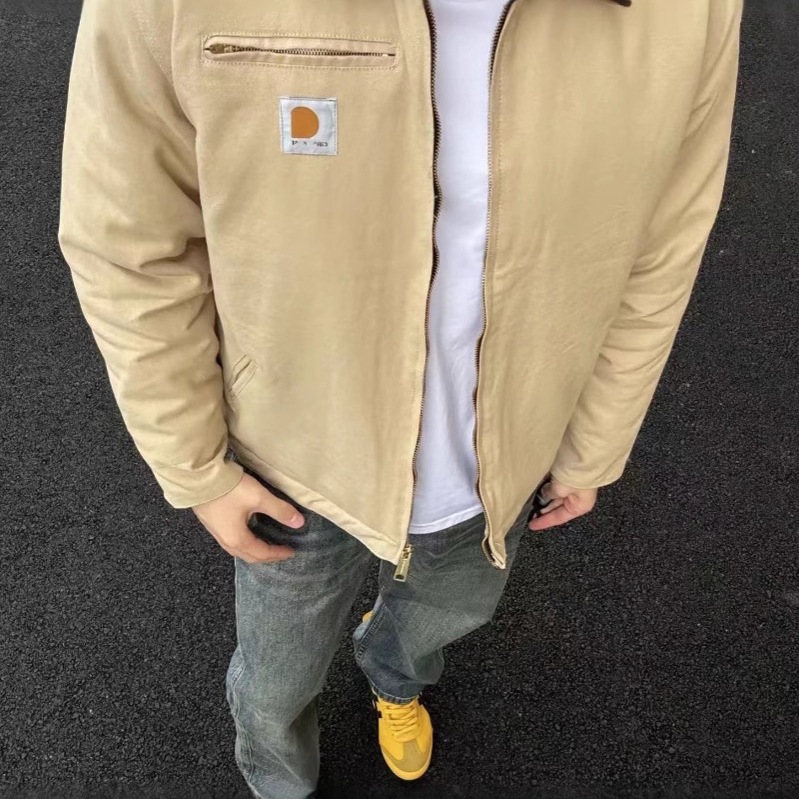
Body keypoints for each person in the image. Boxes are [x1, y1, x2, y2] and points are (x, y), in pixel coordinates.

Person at [58, 0, 743, 796]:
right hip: (293, 457)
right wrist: (195, 467)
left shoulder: (685, 11)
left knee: (431, 625)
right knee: (275, 681)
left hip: (500, 458)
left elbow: (662, 245)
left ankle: (393, 678)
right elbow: (127, 237)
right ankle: (277, 779)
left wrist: (594, 441)